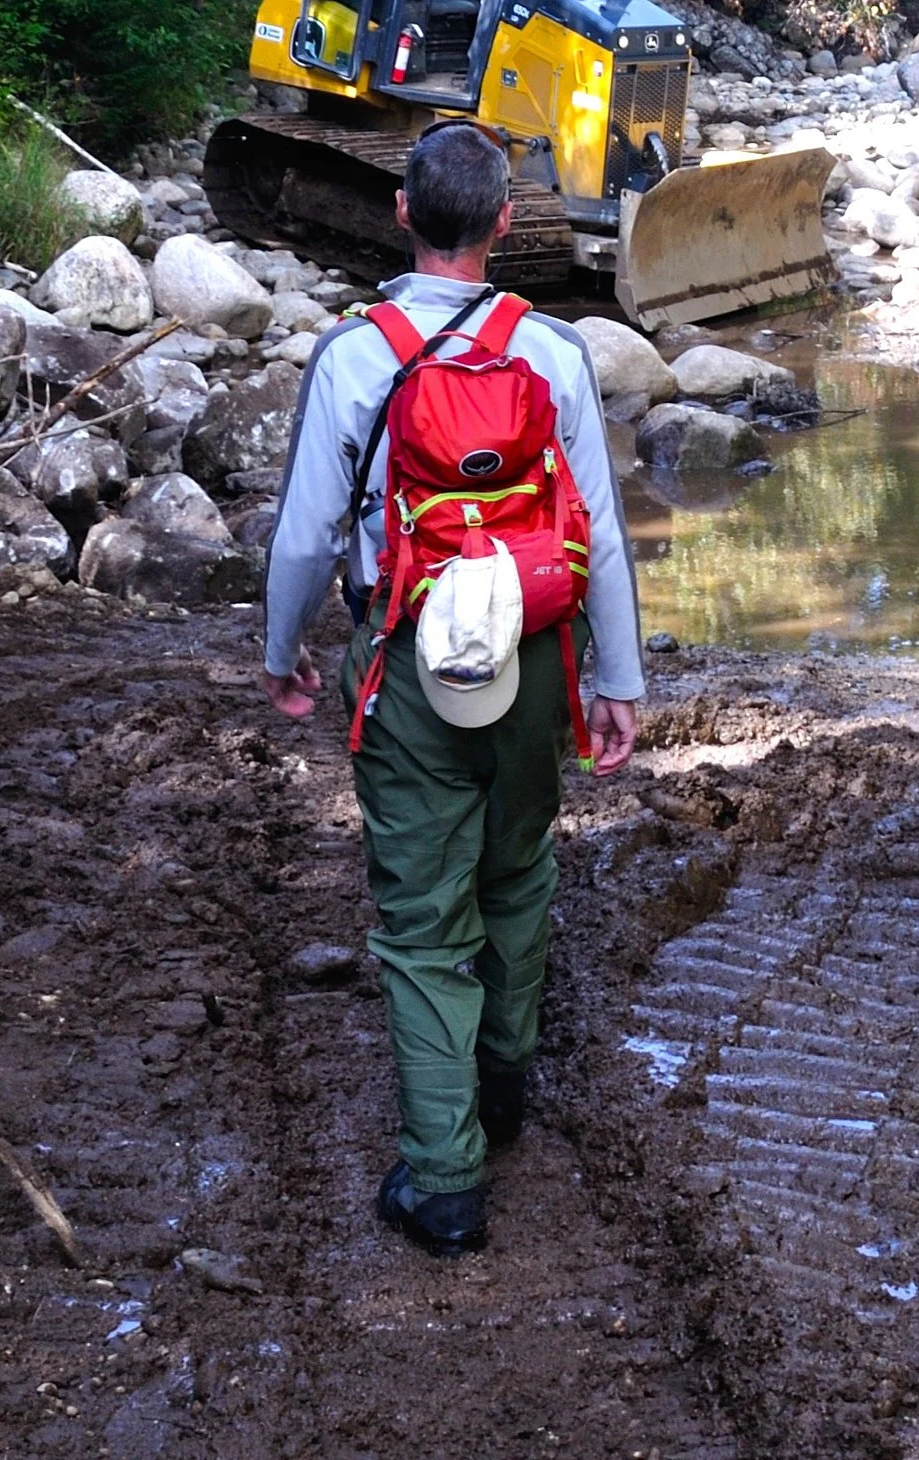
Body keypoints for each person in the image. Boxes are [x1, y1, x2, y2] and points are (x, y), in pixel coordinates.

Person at [259, 122, 642, 1256]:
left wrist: (280, 656)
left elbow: (301, 536)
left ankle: (445, 1181)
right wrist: (615, 679)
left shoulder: (353, 356)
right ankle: (504, 1084)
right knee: (518, 867)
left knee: (425, 926)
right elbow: (601, 533)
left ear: (399, 212)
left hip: (409, 660)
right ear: (505, 226)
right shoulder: (557, 350)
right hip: (536, 656)